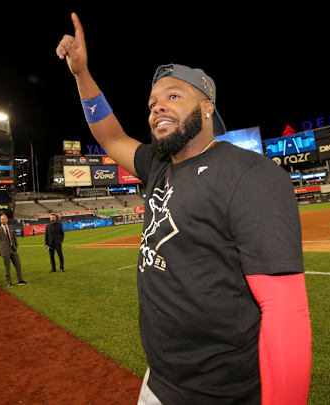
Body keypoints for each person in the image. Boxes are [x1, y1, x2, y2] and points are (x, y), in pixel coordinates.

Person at [56, 13, 311, 404]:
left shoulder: (249, 174)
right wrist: (81, 74)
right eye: (153, 102)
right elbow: (110, 136)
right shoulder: (157, 164)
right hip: (159, 381)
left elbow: (285, 312)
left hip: (220, 394)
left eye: (173, 96)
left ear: (207, 107)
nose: (158, 107)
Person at [0, 214, 27, 287]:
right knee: (7, 267)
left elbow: (14, 238)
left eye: (4, 219)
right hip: (4, 251)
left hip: (13, 249)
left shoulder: (11, 227)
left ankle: (20, 280)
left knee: (18, 265)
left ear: (7, 220)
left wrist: (17, 246)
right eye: (1, 219)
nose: (2, 220)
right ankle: (9, 282)